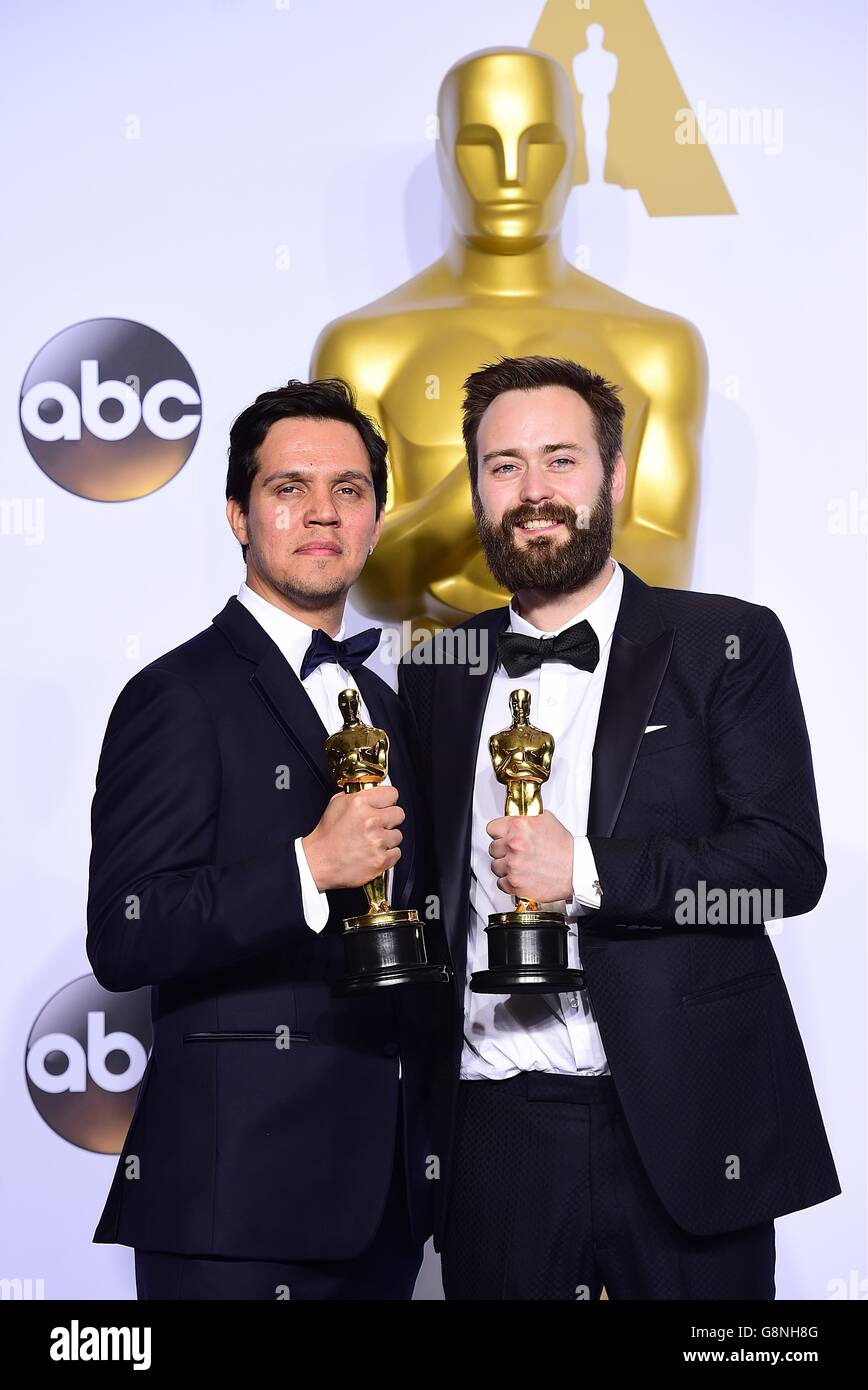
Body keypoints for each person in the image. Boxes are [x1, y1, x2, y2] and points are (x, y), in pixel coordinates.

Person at [399, 354, 841, 1300]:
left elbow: (786, 866)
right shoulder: (438, 666)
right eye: (502, 465)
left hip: (686, 1119)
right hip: (495, 1135)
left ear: (616, 476)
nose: (533, 492)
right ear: (475, 489)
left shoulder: (728, 641)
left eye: (561, 460)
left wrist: (589, 870)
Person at [86, 377, 446, 1300]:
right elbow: (127, 934)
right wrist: (307, 868)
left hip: (386, 1203)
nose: (322, 513)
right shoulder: (177, 696)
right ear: (240, 517)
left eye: (350, 490)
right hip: (233, 1206)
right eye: (289, 488)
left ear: (375, 519)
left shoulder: (393, 709)